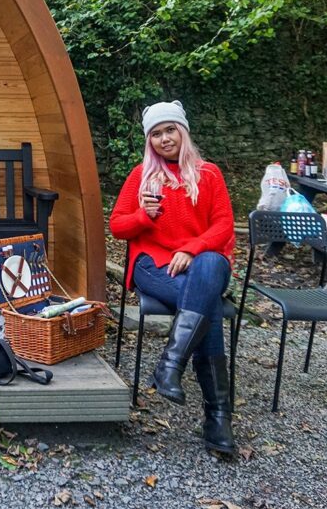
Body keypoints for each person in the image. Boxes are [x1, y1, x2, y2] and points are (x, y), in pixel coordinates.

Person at [110, 100, 236, 454]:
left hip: (201, 264)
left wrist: (192, 249)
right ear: (149, 140)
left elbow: (224, 225)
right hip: (154, 266)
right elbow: (118, 226)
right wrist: (142, 216)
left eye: (170, 130)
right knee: (207, 305)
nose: (164, 138)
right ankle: (219, 419)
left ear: (183, 132)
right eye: (156, 134)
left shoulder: (208, 173)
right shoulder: (142, 176)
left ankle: (170, 365)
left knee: (211, 265)